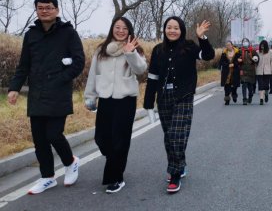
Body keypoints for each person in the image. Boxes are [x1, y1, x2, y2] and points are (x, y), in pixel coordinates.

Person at [7, 0, 84, 195]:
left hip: (59, 92)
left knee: (53, 134)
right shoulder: (31, 35)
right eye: (40, 8)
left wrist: (60, 79)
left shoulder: (68, 33)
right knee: (39, 139)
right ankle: (47, 177)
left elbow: (78, 62)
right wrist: (14, 88)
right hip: (37, 93)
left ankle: (71, 162)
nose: (44, 11)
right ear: (36, 10)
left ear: (56, 10)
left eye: (48, 7)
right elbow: (23, 65)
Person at [144, 17, 214, 194]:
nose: (172, 30)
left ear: (181, 30)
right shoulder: (158, 50)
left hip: (183, 96)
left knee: (176, 135)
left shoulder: (189, 47)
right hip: (164, 97)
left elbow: (208, 56)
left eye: (176, 28)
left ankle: (174, 174)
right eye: (169, 27)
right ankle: (180, 165)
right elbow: (152, 77)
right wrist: (148, 103)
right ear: (165, 30)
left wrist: (202, 38)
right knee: (169, 137)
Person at [84, 17, 147, 193]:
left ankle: (116, 178)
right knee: (101, 138)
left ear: (129, 31)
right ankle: (114, 160)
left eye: (124, 28)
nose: (120, 31)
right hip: (105, 98)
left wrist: (130, 53)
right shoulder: (101, 50)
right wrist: (90, 96)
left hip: (125, 100)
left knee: (120, 140)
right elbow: (93, 74)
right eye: (117, 27)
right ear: (112, 28)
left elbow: (141, 71)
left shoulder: (135, 49)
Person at [236, 38, 259, 105]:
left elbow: (257, 59)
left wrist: (255, 59)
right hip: (243, 70)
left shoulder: (253, 51)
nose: (245, 43)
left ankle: (250, 96)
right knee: (244, 85)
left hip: (251, 71)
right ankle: (244, 99)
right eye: (243, 42)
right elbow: (237, 59)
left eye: (246, 42)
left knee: (250, 86)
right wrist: (238, 61)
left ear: (249, 43)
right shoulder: (240, 51)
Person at [256, 41, 272, 105]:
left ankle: (266, 93)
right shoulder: (257, 52)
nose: (262, 47)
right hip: (259, 71)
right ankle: (261, 99)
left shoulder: (270, 52)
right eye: (261, 46)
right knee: (260, 85)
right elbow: (255, 62)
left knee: (266, 86)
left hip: (267, 71)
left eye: (263, 46)